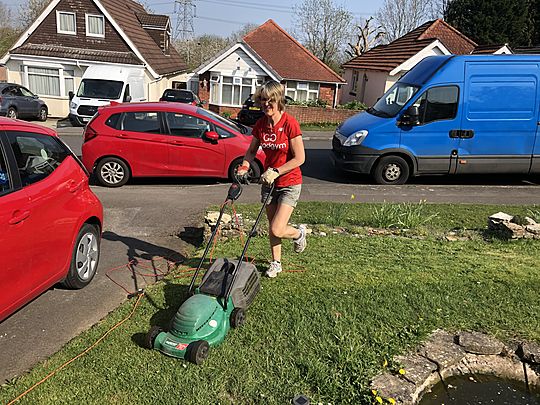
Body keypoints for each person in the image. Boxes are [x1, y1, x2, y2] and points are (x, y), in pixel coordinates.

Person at [237, 80, 306, 278]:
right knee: (272, 226)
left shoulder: (290, 124)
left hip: (289, 182)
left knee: (278, 228)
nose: (266, 104)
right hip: (269, 183)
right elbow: (250, 151)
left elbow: (300, 158)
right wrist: (244, 166)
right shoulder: (261, 125)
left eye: (271, 100)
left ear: (279, 101)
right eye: (263, 100)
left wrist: (276, 170)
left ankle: (299, 234)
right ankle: (276, 262)